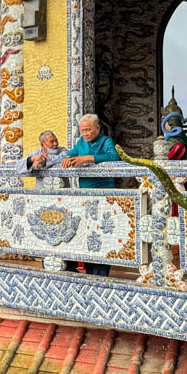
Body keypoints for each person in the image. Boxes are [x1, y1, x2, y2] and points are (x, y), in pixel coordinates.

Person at [61, 114, 119, 277]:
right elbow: (70, 154)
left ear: (97, 128)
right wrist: (67, 158)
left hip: (103, 193)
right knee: (86, 232)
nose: (85, 134)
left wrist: (88, 158)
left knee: (102, 233)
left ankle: (101, 273)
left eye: (88, 130)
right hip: (85, 195)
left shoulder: (105, 141)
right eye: (82, 131)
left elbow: (114, 156)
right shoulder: (81, 143)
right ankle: (89, 270)